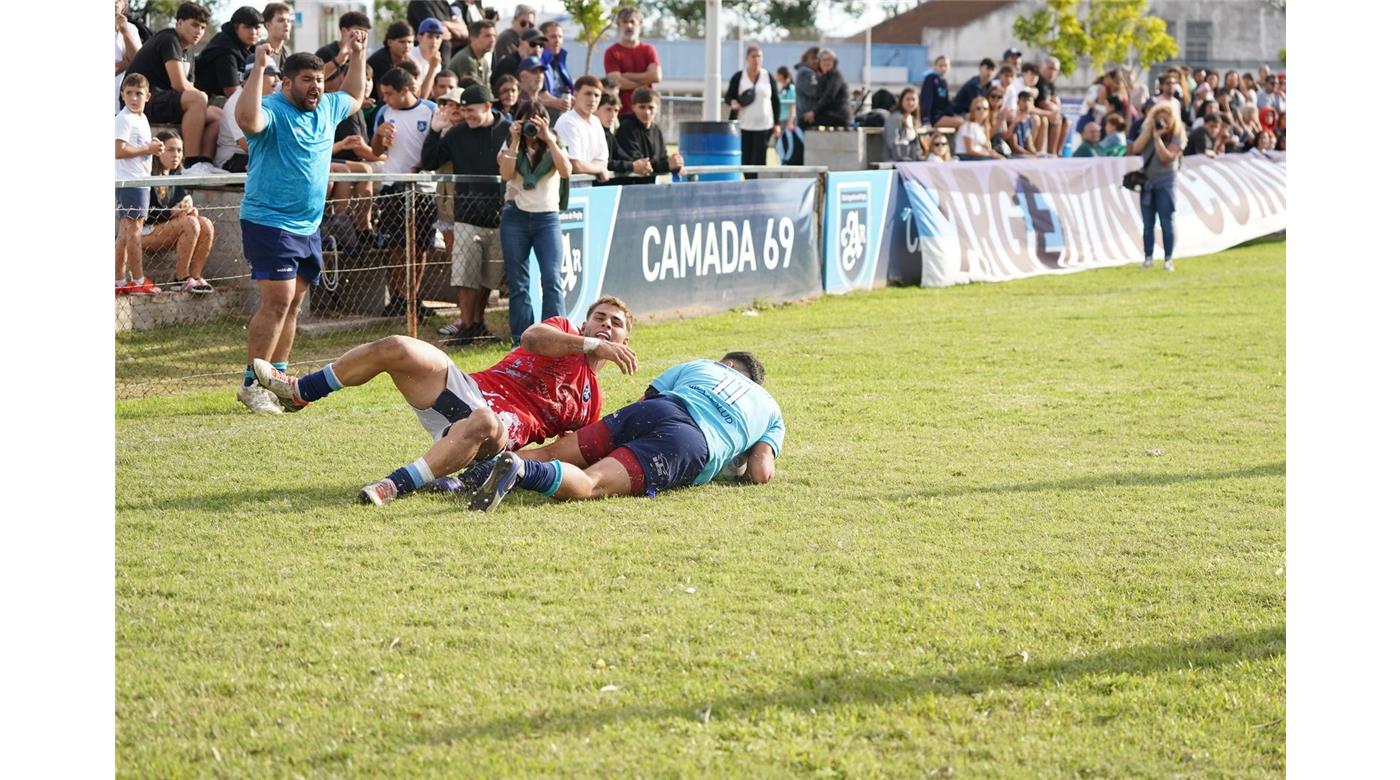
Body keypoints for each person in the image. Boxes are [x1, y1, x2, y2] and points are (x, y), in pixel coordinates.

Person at [250, 296, 638, 505]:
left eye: (615, 323)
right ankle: (302, 392)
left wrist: (509, 470)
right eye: (599, 317)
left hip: (494, 436)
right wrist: (588, 343)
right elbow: (532, 340)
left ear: (626, 341)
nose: (606, 325)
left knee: (484, 421)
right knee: (397, 346)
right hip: (464, 392)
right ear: (585, 323)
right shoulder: (566, 331)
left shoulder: (591, 402)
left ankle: (395, 485)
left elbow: (565, 451)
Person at [467, 352, 783, 511]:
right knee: (591, 483)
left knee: (551, 452)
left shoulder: (702, 365)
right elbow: (760, 471)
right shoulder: (770, 409)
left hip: (655, 410)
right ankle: (523, 472)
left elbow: (646, 398)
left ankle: (464, 478)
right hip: (689, 441)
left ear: (726, 364)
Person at [234, 38, 367, 414]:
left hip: (308, 225)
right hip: (268, 221)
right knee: (277, 302)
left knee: (293, 304)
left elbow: (354, 95)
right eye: (308, 79)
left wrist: (357, 56)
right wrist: (259, 68)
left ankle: (279, 380)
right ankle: (251, 384)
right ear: (288, 82)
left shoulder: (326, 107)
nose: (317, 87)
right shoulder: (272, 109)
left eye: (321, 80)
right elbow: (246, 121)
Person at [421, 83, 512, 344]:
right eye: (464, 110)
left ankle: (477, 324)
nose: (467, 115)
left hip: (499, 216)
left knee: (488, 278)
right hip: (465, 216)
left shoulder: (508, 130)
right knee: (465, 276)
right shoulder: (456, 134)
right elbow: (429, 161)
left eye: (471, 110)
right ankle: (467, 325)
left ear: (487, 106)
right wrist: (434, 131)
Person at [497, 99, 572, 345]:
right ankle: (521, 339)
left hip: (547, 218)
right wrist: (516, 139)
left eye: (538, 120)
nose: (533, 127)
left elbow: (566, 171)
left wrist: (549, 138)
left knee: (551, 277)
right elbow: (506, 174)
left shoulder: (555, 144)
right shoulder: (510, 143)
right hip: (515, 217)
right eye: (528, 120)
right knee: (518, 281)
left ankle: (554, 336)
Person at [370, 66, 440, 321]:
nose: (385, 99)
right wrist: (379, 136)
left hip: (423, 186)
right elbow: (376, 151)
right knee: (394, 246)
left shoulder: (430, 110)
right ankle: (397, 297)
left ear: (406, 91)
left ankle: (413, 297)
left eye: (389, 94)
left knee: (420, 247)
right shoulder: (384, 112)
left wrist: (424, 165)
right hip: (392, 185)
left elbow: (437, 146)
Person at [122, 2, 221, 168]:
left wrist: (203, 104)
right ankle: (191, 163)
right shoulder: (169, 39)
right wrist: (201, 100)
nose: (199, 31)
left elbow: (190, 86)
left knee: (217, 116)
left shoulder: (188, 50)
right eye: (195, 25)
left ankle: (204, 163)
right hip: (143, 101)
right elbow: (179, 85)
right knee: (198, 99)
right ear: (179, 23)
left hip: (167, 101)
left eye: (203, 27)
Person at [145, 131, 215, 293]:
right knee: (190, 223)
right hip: (144, 232)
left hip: (166, 228)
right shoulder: (146, 174)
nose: (176, 155)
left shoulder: (176, 175)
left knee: (205, 223)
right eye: (170, 150)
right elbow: (142, 214)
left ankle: (195, 277)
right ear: (158, 151)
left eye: (179, 150)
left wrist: (188, 210)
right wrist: (172, 213)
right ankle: (180, 278)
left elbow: (180, 207)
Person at [115, 73, 164, 297]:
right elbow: (118, 151)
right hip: (131, 182)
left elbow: (139, 148)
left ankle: (118, 279)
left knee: (125, 233)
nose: (134, 98)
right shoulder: (124, 118)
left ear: (148, 96)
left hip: (139, 181)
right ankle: (137, 280)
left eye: (139, 93)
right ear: (122, 95)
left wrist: (153, 146)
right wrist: (148, 150)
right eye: (129, 93)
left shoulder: (140, 118)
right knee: (134, 232)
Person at [1131, 101, 1185, 272]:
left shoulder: (1178, 134)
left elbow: (1167, 158)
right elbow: (1135, 148)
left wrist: (1158, 139)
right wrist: (1149, 132)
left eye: (1165, 118)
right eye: (1157, 117)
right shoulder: (1148, 131)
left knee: (1166, 221)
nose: (1161, 121)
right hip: (1147, 181)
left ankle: (1168, 259)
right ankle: (1148, 257)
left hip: (1166, 181)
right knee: (1147, 223)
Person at [726, 45, 782, 177]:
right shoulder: (739, 76)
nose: (756, 59)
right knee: (745, 159)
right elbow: (728, 96)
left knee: (759, 159)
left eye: (759, 56)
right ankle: (748, 184)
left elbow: (775, 100)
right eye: (753, 56)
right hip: (744, 125)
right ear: (747, 58)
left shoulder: (767, 76)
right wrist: (732, 102)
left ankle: (757, 185)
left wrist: (777, 123)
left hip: (764, 125)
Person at [215, 62, 278, 172]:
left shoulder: (270, 99)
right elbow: (247, 146)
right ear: (254, 76)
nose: (277, 80)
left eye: (278, 74)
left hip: (257, 155)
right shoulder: (237, 102)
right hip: (233, 159)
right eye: (271, 74)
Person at [615, 87, 684, 184]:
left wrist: (676, 163)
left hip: (649, 185)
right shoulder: (626, 128)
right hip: (629, 186)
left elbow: (662, 157)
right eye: (642, 107)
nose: (647, 112)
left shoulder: (656, 130)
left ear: (657, 108)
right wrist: (667, 165)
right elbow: (640, 164)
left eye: (651, 108)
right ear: (633, 107)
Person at [192, 5, 260, 100]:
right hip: (207, 100)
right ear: (236, 28)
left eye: (257, 28)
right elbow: (231, 91)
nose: (253, 32)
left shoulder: (252, 49)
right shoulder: (225, 48)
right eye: (247, 27)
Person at [603, 6, 661, 115]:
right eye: (624, 22)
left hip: (646, 113)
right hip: (620, 112)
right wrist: (644, 82)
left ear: (640, 24)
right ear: (619, 25)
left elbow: (656, 76)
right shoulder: (611, 52)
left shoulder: (649, 50)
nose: (629, 26)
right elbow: (616, 82)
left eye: (632, 22)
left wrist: (626, 75)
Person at [554, 75, 611, 183]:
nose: (592, 99)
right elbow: (575, 165)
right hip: (566, 189)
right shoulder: (567, 122)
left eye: (597, 95)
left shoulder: (596, 122)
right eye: (588, 93)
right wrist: (600, 169)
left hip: (587, 189)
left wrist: (599, 167)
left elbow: (602, 161)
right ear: (575, 95)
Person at [316, 11, 373, 93]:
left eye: (365, 33)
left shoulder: (361, 54)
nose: (361, 36)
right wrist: (338, 60)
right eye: (358, 31)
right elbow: (314, 77)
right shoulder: (325, 53)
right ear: (344, 31)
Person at [447, 19, 497, 95]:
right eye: (487, 36)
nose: (492, 40)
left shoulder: (484, 61)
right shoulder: (466, 59)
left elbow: (487, 90)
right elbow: (474, 91)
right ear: (473, 38)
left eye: (494, 36)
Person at [367, 20, 415, 98]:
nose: (407, 46)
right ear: (389, 42)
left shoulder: (408, 59)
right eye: (402, 42)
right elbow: (384, 95)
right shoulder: (380, 60)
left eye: (410, 42)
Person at [805, 49, 851, 128]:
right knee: (804, 119)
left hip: (838, 115)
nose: (826, 62)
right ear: (819, 62)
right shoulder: (823, 77)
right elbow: (818, 97)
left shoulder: (836, 76)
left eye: (829, 60)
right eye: (823, 60)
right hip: (828, 113)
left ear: (834, 62)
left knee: (804, 122)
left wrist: (814, 112)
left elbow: (829, 96)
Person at [538, 21, 575, 116]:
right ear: (542, 39)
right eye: (553, 36)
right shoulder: (537, 62)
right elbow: (539, 94)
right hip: (545, 114)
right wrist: (559, 102)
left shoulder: (560, 60)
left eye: (560, 37)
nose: (557, 40)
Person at [1034, 56, 1068, 155]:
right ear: (1042, 67)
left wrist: (1055, 105)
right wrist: (1055, 106)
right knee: (1056, 118)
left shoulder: (1050, 84)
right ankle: (1051, 152)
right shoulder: (1039, 82)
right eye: (1050, 68)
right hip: (1039, 113)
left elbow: (1055, 102)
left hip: (1048, 113)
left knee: (1067, 121)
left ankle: (1057, 152)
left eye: (1055, 70)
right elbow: (1044, 103)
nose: (1052, 72)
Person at [407, 18, 448, 98]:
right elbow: (420, 97)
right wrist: (432, 68)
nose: (434, 41)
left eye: (438, 37)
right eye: (430, 36)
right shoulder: (410, 56)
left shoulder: (437, 61)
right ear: (419, 38)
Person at [883, 87, 926, 162]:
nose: (911, 103)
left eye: (913, 99)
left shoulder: (913, 119)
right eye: (908, 99)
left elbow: (915, 145)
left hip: (910, 161)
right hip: (895, 161)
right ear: (901, 100)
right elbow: (892, 143)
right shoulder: (895, 118)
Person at [115, 0, 143, 109]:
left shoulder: (131, 29)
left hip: (123, 105)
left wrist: (125, 32)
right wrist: (124, 63)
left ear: (125, 5)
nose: (115, 3)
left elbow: (138, 62)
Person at [791, 47, 820, 131]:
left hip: (806, 118)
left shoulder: (807, 72)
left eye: (818, 58)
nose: (816, 61)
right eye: (813, 58)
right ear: (806, 59)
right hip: (808, 119)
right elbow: (815, 91)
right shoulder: (806, 72)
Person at [261, 3, 293, 72]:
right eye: (281, 20)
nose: (286, 24)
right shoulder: (259, 50)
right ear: (268, 25)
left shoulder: (287, 52)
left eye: (289, 21)